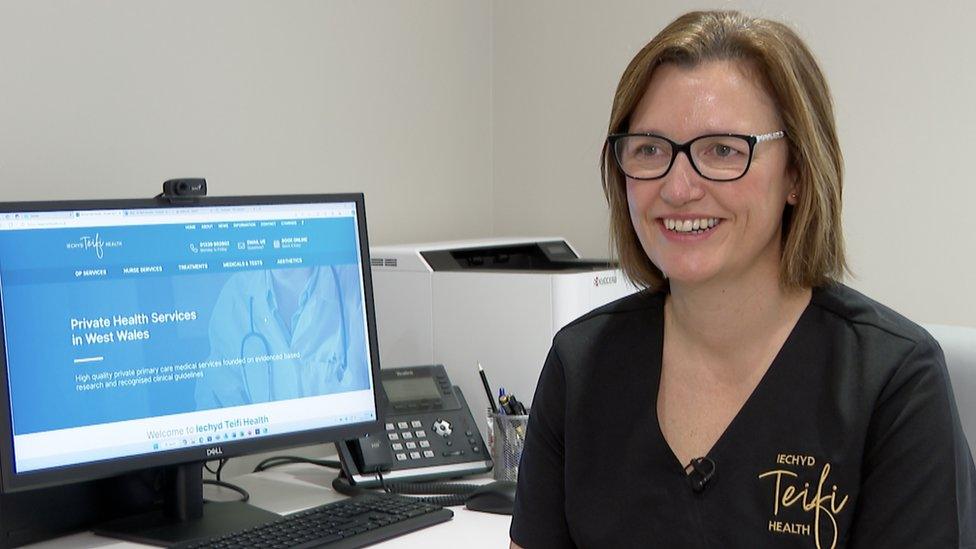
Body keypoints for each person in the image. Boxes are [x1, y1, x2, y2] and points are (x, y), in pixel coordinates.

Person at [509, 10, 976, 549]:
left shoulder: (894, 382)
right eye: (650, 150)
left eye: (723, 150)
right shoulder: (581, 366)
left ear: (796, 174)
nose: (679, 187)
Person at [195, 264, 370, 408]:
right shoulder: (236, 296)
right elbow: (215, 397)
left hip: (335, 442)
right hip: (261, 447)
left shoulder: (355, 284)